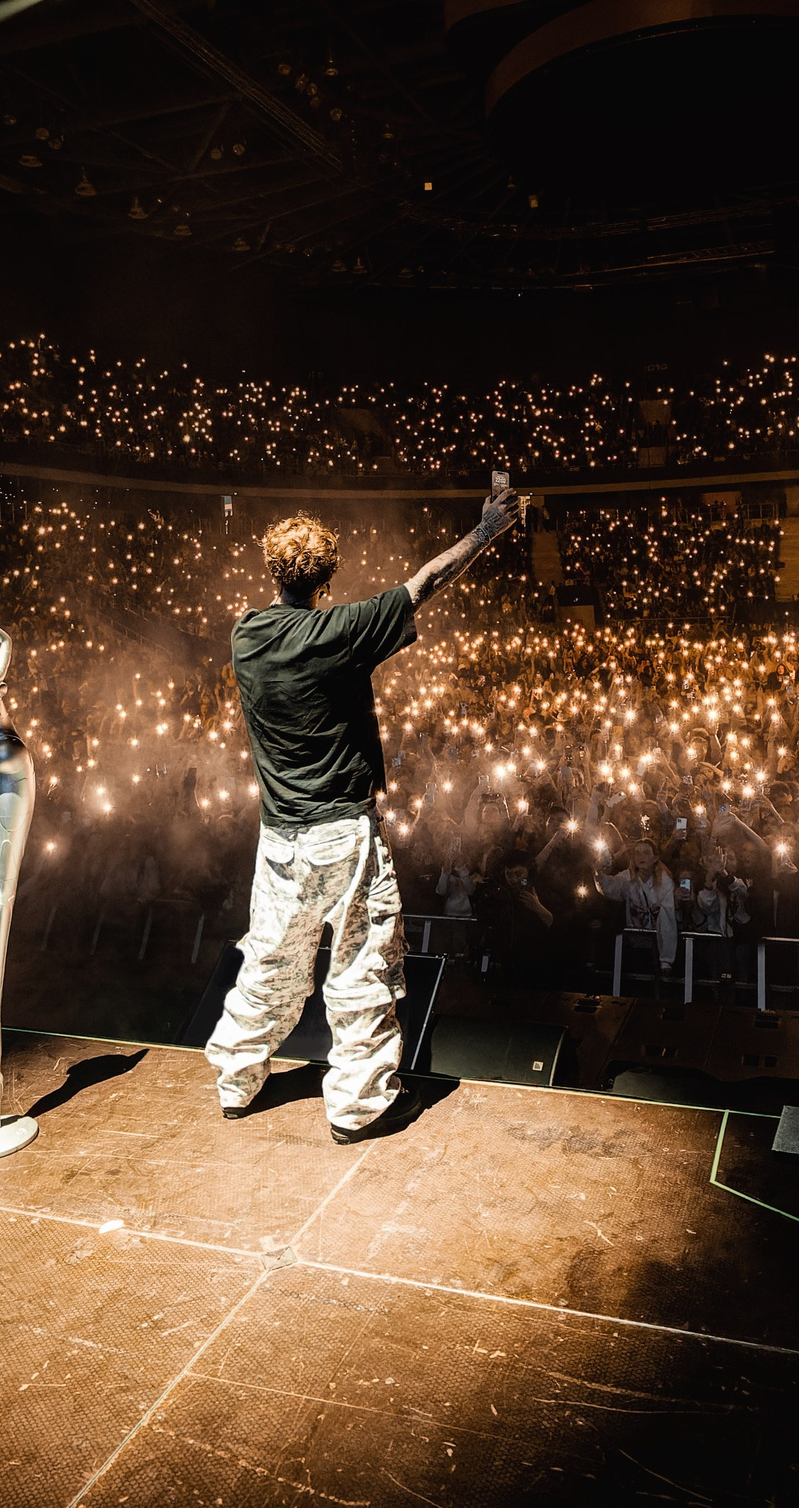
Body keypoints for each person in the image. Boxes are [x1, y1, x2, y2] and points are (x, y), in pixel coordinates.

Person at [206, 488, 522, 1141]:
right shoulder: (339, 632)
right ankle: (357, 1105)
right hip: (342, 834)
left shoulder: (245, 633)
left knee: (270, 955)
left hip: (277, 836)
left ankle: (236, 1080)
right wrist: (487, 529)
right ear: (328, 576)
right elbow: (426, 580)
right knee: (360, 962)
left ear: (273, 571)